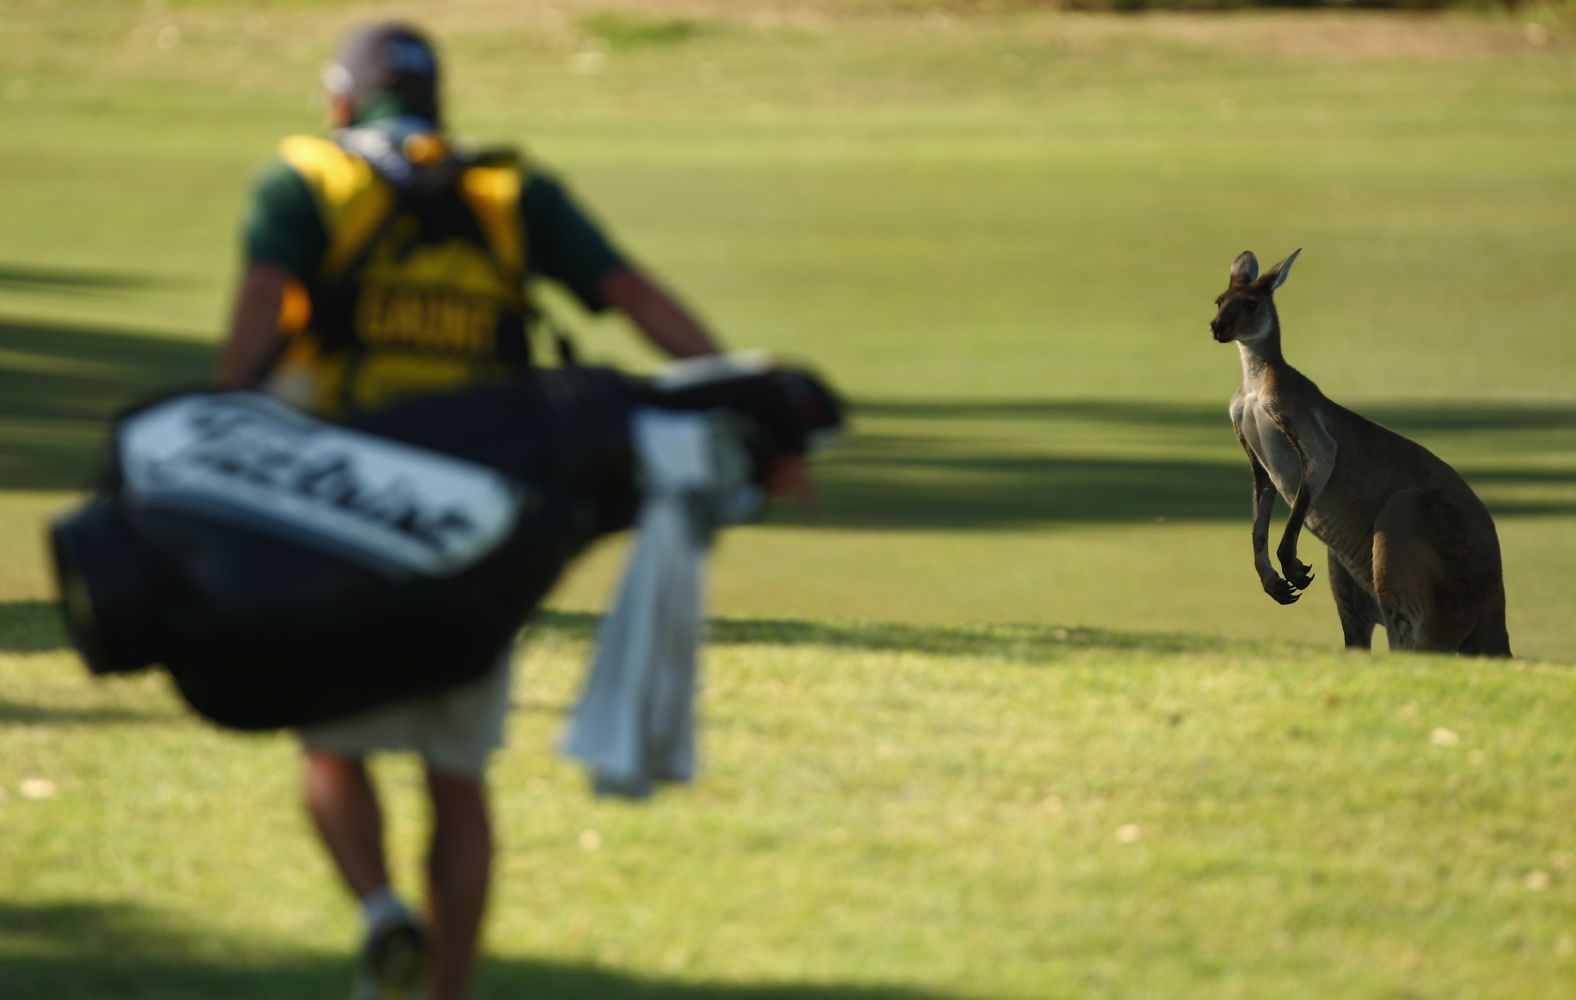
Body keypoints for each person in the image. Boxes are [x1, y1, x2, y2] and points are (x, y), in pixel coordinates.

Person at [217, 23, 724, 1000]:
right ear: (437, 102)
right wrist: (736, 393)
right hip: (479, 523)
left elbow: (250, 333)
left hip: (345, 507)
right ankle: (446, 992)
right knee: (458, 775)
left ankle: (378, 909)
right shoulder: (507, 191)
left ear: (338, 101)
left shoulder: (303, 179)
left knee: (329, 745)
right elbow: (632, 297)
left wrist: (216, 449)